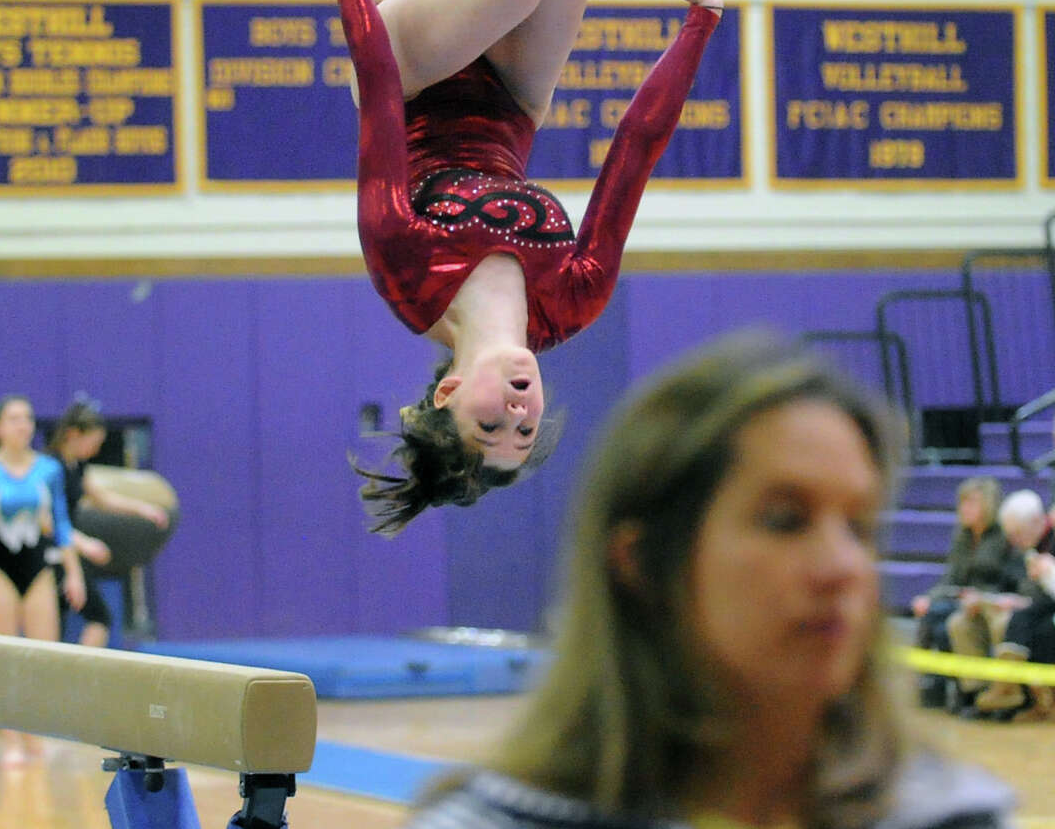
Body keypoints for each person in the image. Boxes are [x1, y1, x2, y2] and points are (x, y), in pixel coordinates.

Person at [324, 0, 722, 534]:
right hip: (511, 105)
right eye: (527, 428)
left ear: (445, 391)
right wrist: (700, 20)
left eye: (489, 423)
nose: (516, 409)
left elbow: (384, 112)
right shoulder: (571, 300)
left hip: (410, 77)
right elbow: (634, 154)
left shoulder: (407, 274)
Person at [398, 331, 1014, 829]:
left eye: (858, 526)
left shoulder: (957, 816)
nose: (843, 568)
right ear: (642, 564)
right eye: (785, 520)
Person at [0, 394, 85, 766]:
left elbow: (61, 524)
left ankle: (35, 736)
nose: (23, 425)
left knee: (40, 658)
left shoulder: (48, 468)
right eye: (14, 418)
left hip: (38, 569)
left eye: (28, 418)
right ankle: (11, 740)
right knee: (4, 656)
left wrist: (74, 572)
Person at [45, 395, 169, 649]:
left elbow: (104, 498)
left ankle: (76, 674)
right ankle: (73, 674)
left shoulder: (76, 466)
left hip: (66, 549)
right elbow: (47, 519)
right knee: (88, 618)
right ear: (73, 434)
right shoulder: (49, 468)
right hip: (48, 552)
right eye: (94, 442)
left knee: (92, 617)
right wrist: (85, 543)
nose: (97, 449)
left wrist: (143, 509)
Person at [907, 476, 1011, 706]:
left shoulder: (1002, 536)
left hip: (987, 601)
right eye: (963, 502)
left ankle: (944, 685)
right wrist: (928, 598)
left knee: (944, 622)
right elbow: (950, 577)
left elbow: (1007, 579)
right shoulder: (962, 536)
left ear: (988, 505)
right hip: (958, 598)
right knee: (933, 614)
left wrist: (981, 596)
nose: (965, 508)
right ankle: (932, 680)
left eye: (971, 502)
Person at [965, 488, 1055, 720]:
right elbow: (1009, 582)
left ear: (1036, 521)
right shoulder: (1026, 545)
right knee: (1019, 619)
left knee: (1029, 623)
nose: (1014, 540)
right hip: (1033, 608)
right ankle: (1010, 692)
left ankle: (1010, 688)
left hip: (1042, 609)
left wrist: (1048, 574)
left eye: (1017, 533)